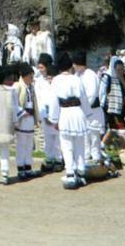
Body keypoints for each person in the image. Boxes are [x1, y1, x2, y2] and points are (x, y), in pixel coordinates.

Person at [47, 52, 92, 190]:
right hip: (78, 112)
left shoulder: (56, 80)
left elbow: (54, 101)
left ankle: (71, 173)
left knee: (66, 145)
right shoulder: (76, 79)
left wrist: (54, 119)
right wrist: (86, 114)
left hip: (65, 113)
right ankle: (81, 172)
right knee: (79, 144)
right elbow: (84, 98)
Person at [72, 50, 105, 165]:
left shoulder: (90, 74)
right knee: (84, 136)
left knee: (94, 136)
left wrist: (84, 106)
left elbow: (92, 94)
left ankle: (96, 157)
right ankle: (85, 157)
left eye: (75, 64)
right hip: (81, 110)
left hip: (93, 110)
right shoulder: (76, 76)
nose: (73, 66)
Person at [34, 54, 63, 173]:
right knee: (48, 138)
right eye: (39, 68)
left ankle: (59, 159)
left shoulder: (57, 79)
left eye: (42, 67)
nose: (40, 70)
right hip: (45, 112)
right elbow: (39, 99)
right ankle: (49, 158)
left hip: (57, 112)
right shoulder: (39, 81)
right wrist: (43, 116)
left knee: (58, 138)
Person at [13, 62, 40, 180]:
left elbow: (35, 103)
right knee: (21, 144)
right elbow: (14, 103)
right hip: (22, 118)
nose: (32, 79)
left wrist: (36, 117)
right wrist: (21, 113)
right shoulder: (17, 86)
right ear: (24, 76)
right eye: (30, 77)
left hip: (30, 117)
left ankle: (28, 166)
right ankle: (20, 168)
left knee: (29, 144)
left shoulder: (31, 87)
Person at [100, 56, 125, 150]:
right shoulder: (107, 77)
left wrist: (122, 80)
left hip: (121, 109)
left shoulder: (123, 78)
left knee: (113, 130)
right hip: (111, 109)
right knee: (121, 130)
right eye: (118, 69)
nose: (121, 71)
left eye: (122, 69)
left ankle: (103, 146)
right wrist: (103, 106)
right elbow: (102, 93)